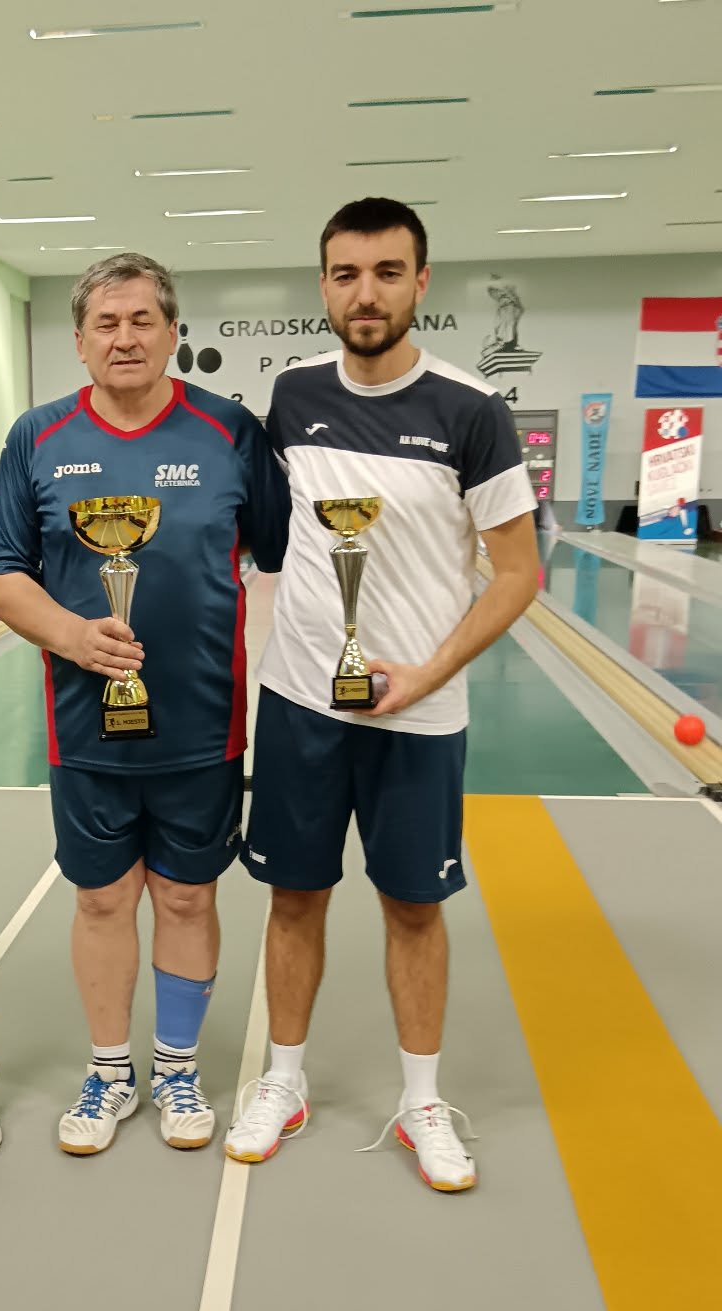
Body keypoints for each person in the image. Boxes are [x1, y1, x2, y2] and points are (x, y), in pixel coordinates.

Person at [227, 198, 539, 1191]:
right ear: (324, 285)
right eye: (347, 274)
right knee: (294, 896)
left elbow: (518, 573)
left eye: (388, 272)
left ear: (420, 282)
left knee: (414, 907)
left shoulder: (470, 411)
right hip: (299, 702)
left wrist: (425, 674)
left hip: (420, 716)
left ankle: (421, 1102)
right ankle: (283, 1082)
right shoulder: (293, 395)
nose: (367, 293)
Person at [0, 253, 288, 1156]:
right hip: (87, 731)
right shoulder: (37, 437)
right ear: (79, 340)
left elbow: (283, 554)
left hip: (203, 725)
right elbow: (3, 574)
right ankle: (111, 1072)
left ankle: (178, 1068)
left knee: (188, 900)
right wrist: (73, 636)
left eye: (142, 319)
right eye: (106, 323)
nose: (125, 337)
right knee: (102, 901)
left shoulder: (229, 431)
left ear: (172, 333)